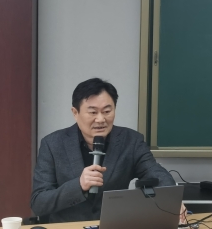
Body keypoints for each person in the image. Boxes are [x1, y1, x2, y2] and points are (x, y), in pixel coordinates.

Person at [31, 78, 186, 223]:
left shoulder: (131, 141)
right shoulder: (52, 144)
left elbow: (156, 173)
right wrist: (78, 185)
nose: (101, 119)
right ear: (75, 113)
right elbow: (39, 202)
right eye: (93, 112)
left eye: (107, 111)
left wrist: (172, 200)